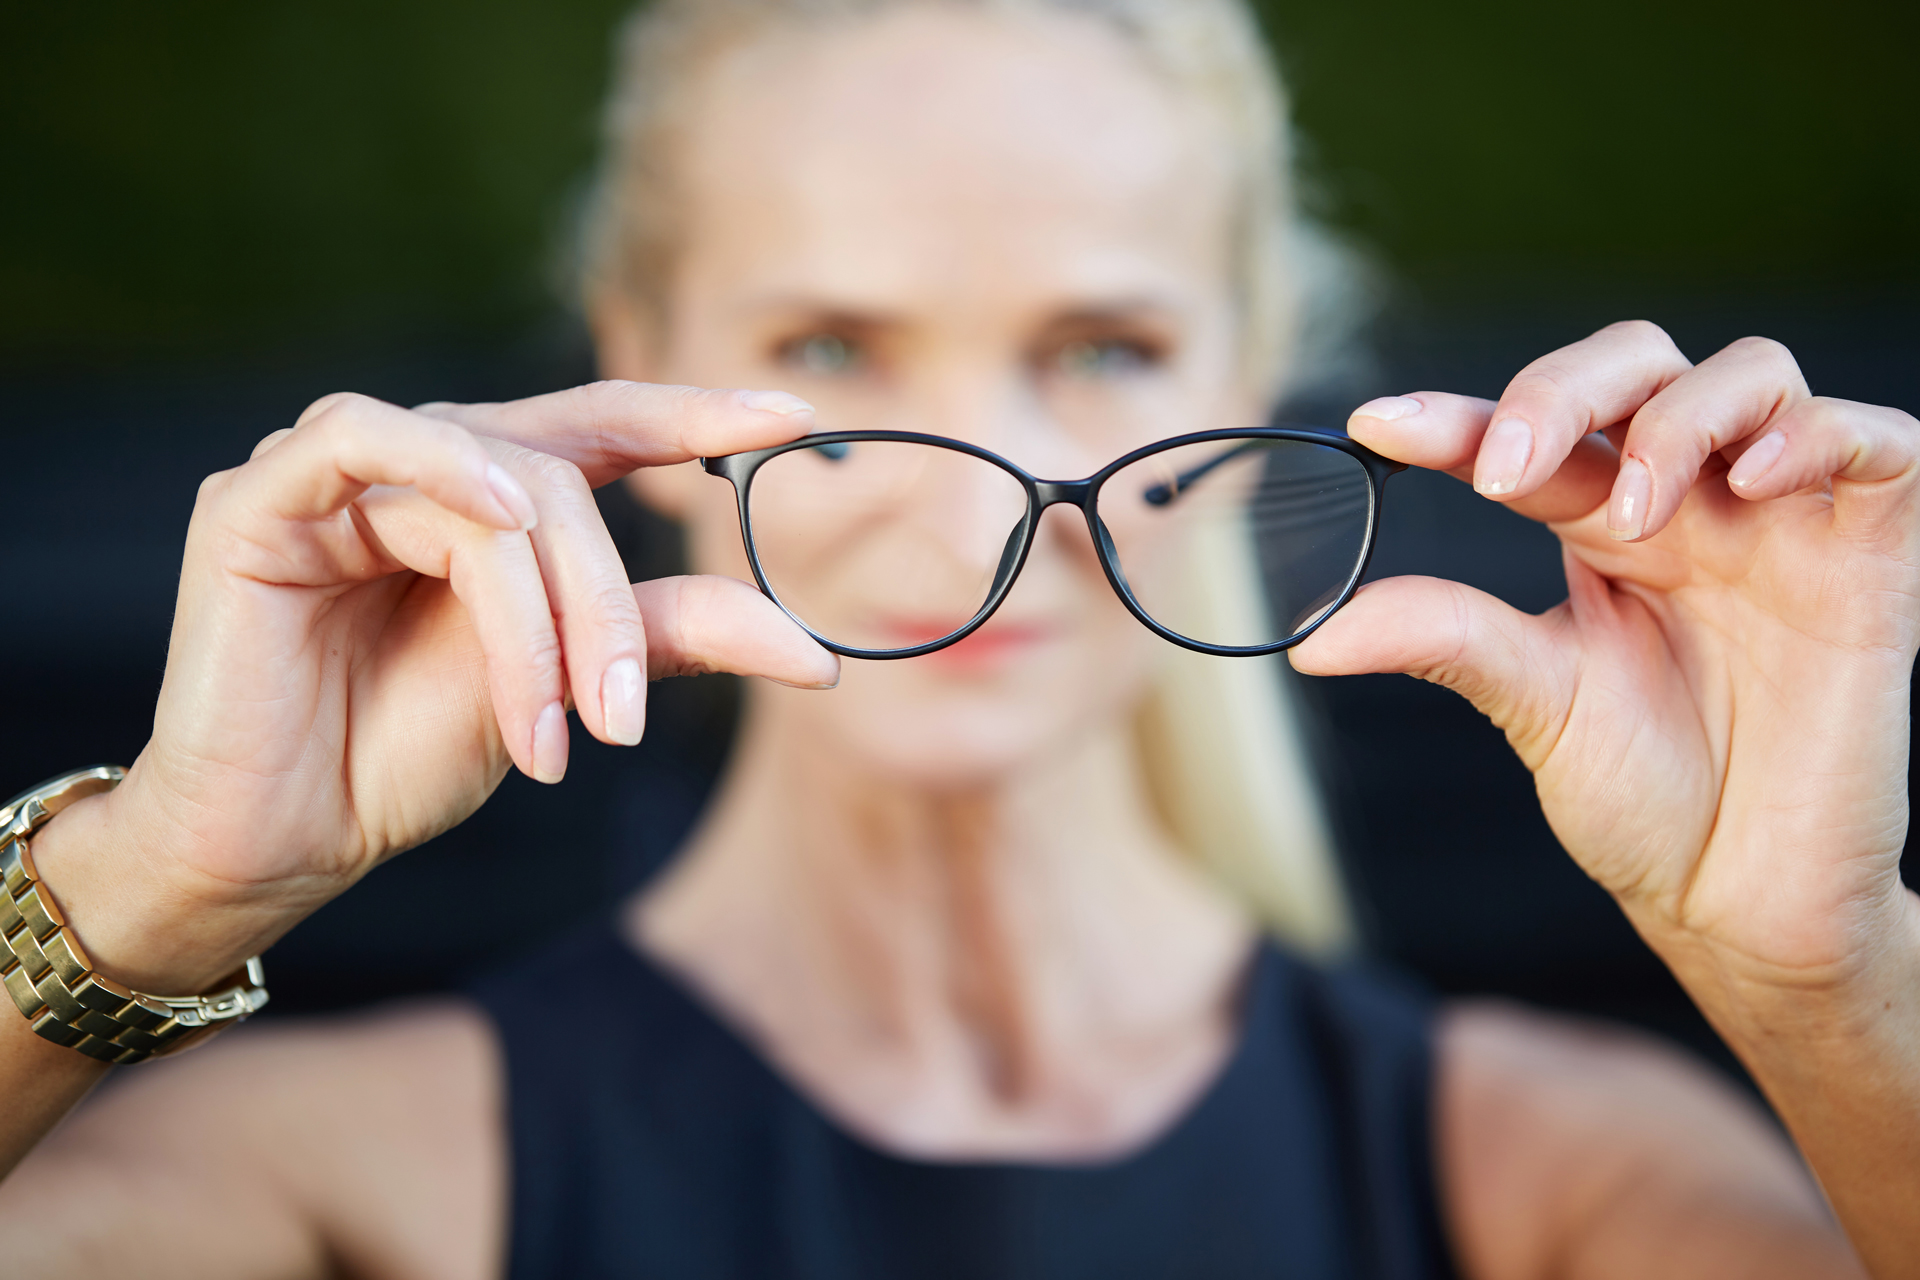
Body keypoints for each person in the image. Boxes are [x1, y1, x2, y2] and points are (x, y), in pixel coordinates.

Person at [1, 0, 1915, 1275]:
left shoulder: (1574, 1181)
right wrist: (142, 892)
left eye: (1104, 351)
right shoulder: (331, 1181)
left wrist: (1830, 993)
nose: (986, 492)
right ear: (633, 369)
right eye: (830, 351)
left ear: (1251, 371)